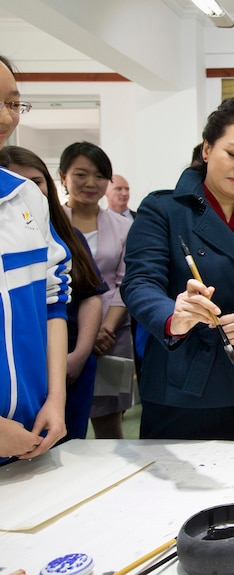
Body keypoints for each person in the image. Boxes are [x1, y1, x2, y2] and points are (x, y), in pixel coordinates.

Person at [121, 97, 234, 441]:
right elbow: (139, 284)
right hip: (180, 376)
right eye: (232, 154)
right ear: (207, 149)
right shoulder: (163, 209)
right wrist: (175, 315)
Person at [1, 146, 107, 441]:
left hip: (62, 358)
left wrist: (78, 355)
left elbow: (72, 297)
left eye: (35, 182)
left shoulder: (63, 237)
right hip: (25, 376)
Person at [0, 55, 70, 463]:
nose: (5, 116)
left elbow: (52, 300)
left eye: (13, 103)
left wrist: (56, 399)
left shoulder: (26, 197)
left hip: (33, 435)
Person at [60, 141, 133, 439]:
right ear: (63, 176)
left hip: (111, 336)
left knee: (108, 423)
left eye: (100, 176)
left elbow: (124, 281)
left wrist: (104, 329)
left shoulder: (123, 227)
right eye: (80, 174)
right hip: (59, 333)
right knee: (58, 417)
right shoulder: (48, 224)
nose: (90, 183)